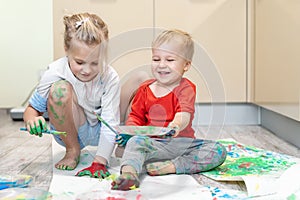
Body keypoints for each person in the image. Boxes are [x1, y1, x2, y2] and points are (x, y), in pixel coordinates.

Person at [111, 29, 227, 190]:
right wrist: (130, 131)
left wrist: (176, 125)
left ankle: (170, 167)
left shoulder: (186, 88)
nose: (161, 65)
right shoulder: (145, 89)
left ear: (186, 65)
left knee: (217, 150)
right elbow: (136, 117)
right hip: (151, 144)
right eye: (156, 59)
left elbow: (184, 114)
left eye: (170, 59)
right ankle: (129, 174)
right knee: (135, 142)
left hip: (180, 145)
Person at [23, 12, 120, 178]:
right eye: (80, 62)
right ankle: (72, 150)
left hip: (99, 131)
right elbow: (32, 110)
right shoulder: (55, 71)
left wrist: (100, 160)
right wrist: (32, 120)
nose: (87, 70)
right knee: (59, 90)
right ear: (66, 50)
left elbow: (111, 121)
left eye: (95, 62)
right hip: (70, 132)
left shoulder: (110, 76)